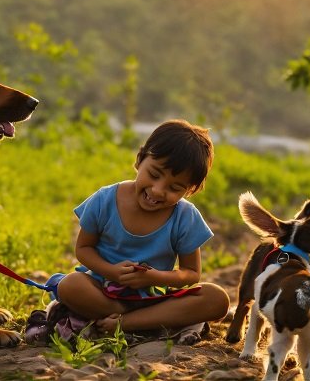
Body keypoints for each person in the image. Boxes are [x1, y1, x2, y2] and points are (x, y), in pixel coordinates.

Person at [56, 119, 230, 344]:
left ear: (190, 190)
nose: (158, 191)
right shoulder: (105, 200)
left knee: (217, 299)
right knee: (70, 285)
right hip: (103, 291)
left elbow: (191, 274)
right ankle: (144, 323)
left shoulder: (185, 217)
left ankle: (123, 323)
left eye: (175, 188)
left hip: (154, 298)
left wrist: (152, 277)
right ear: (140, 160)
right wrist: (112, 272)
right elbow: (84, 249)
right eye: (154, 174)